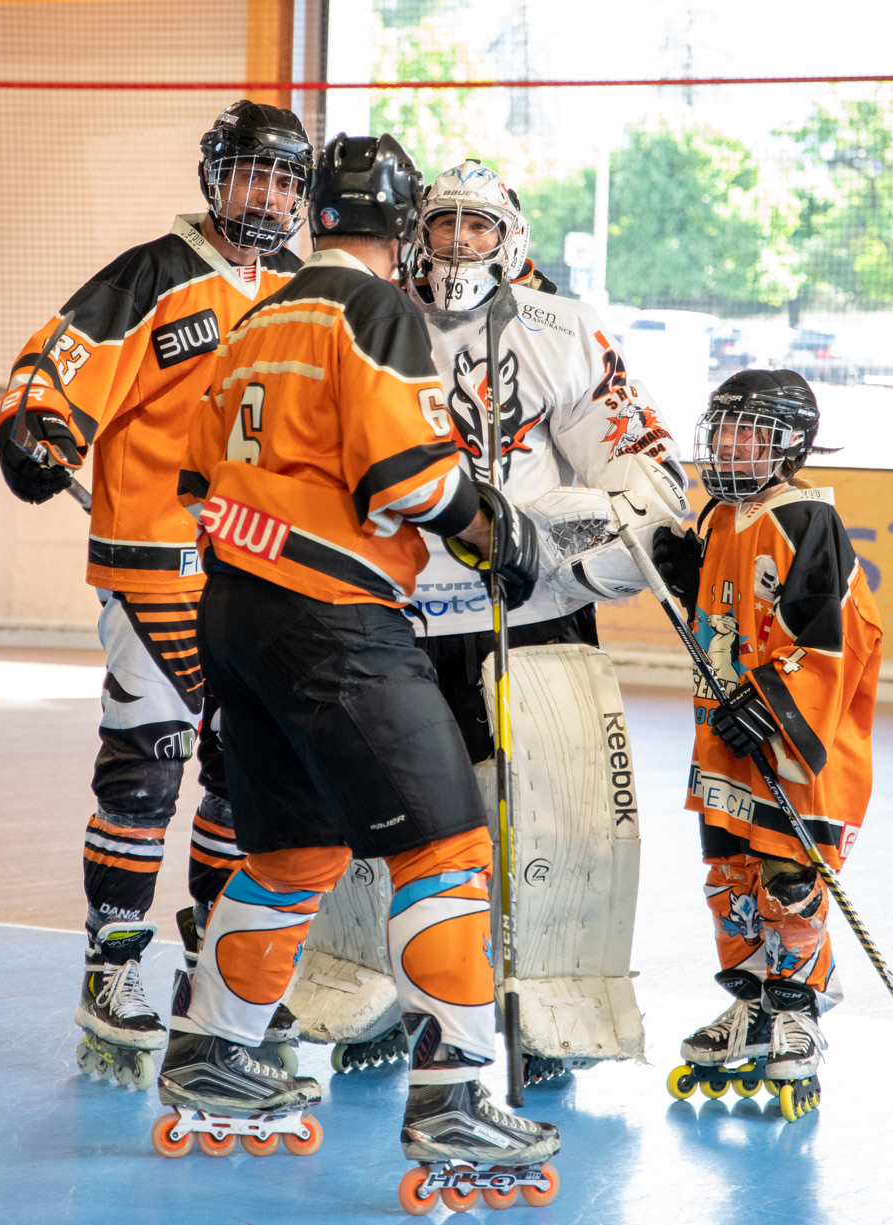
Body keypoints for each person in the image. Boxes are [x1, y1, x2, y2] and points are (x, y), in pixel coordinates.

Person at [163, 133, 560, 1200]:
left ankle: (213, 1048)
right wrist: (495, 528)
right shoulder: (375, 309)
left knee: (296, 850)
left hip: (235, 610)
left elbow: (197, 474)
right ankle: (457, 1091)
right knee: (447, 843)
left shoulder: (259, 318)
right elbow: (410, 478)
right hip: (333, 616)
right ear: (403, 227)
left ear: (315, 216)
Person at [291, 160, 689, 1081]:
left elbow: (644, 464)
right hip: (393, 615)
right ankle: (373, 992)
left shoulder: (564, 329)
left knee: (553, 815)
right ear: (413, 233)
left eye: (479, 226)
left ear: (512, 239)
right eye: (444, 224)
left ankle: (547, 1008)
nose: (460, 242)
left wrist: (577, 545)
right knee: (383, 808)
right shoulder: (366, 321)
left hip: (534, 615)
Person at [0, 101, 313, 1089]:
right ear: (215, 177)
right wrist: (33, 424)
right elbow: (54, 367)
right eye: (250, 174)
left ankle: (217, 967)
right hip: (156, 565)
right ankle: (113, 967)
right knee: (147, 768)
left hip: (267, 574)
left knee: (243, 779)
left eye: (284, 181)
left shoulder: (305, 291)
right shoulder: (152, 274)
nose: (267, 196)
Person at [650, 368, 883, 1119]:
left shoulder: (807, 519)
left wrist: (767, 704)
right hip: (726, 741)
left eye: (749, 433)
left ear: (788, 445)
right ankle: (751, 1001)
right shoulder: (720, 515)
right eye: (722, 431)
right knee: (731, 876)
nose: (730, 445)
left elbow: (829, 634)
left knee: (787, 878)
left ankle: (798, 1010)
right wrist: (684, 576)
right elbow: (724, 613)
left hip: (790, 744)